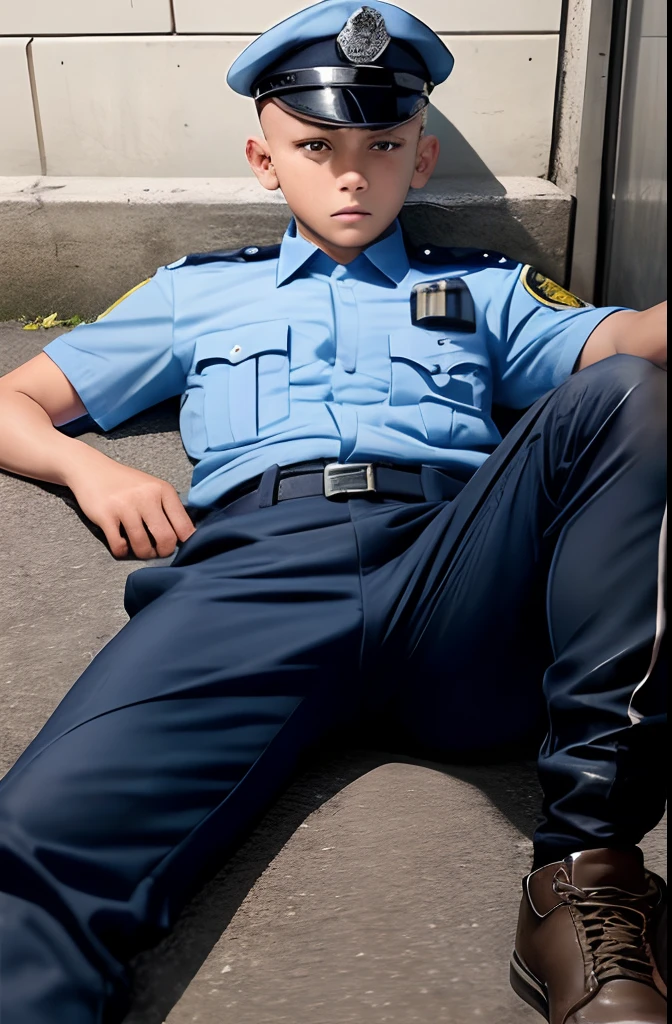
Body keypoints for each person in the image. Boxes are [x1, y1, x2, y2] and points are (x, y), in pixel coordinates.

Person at [0, 2, 667, 1021]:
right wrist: (89, 471)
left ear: (421, 155)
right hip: (254, 574)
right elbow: (16, 401)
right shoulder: (198, 293)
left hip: (451, 570)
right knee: (36, 850)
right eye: (316, 145)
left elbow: (625, 352)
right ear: (266, 161)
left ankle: (585, 873)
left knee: (631, 400)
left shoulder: (480, 290)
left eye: (382, 145)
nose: (351, 173)